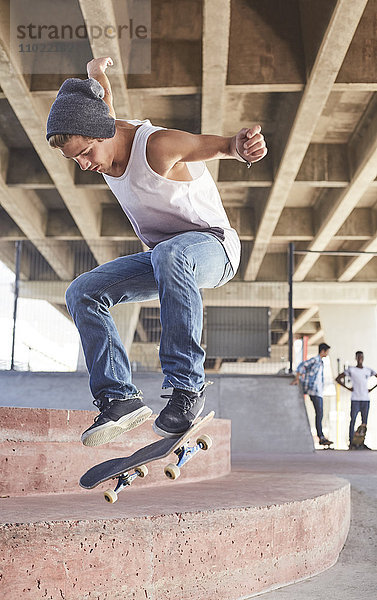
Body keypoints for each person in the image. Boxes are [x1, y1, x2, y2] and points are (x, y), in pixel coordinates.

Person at [46, 56, 268, 446]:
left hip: (215, 247)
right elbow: (103, 92)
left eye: (86, 154)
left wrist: (241, 146)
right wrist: (95, 70)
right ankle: (119, 398)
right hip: (167, 258)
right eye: (74, 159)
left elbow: (218, 146)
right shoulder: (100, 122)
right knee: (82, 292)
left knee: (172, 254)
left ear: (104, 133)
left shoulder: (158, 147)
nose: (83, 166)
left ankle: (187, 389)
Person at [291, 342, 333, 446]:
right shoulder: (315, 360)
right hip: (314, 390)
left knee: (320, 413)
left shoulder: (321, 362)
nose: (327, 354)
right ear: (323, 351)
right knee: (319, 413)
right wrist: (297, 379)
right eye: (327, 351)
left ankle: (321, 436)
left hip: (318, 391)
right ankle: (321, 437)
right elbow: (302, 365)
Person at [336, 351, 377, 450]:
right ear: (356, 358)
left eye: (361, 357)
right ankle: (352, 442)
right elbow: (338, 378)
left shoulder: (368, 370)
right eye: (358, 357)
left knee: (364, 422)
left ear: (363, 358)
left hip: (365, 399)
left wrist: (371, 389)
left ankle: (361, 442)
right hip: (355, 398)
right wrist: (348, 388)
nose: (360, 359)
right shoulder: (351, 370)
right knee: (353, 420)